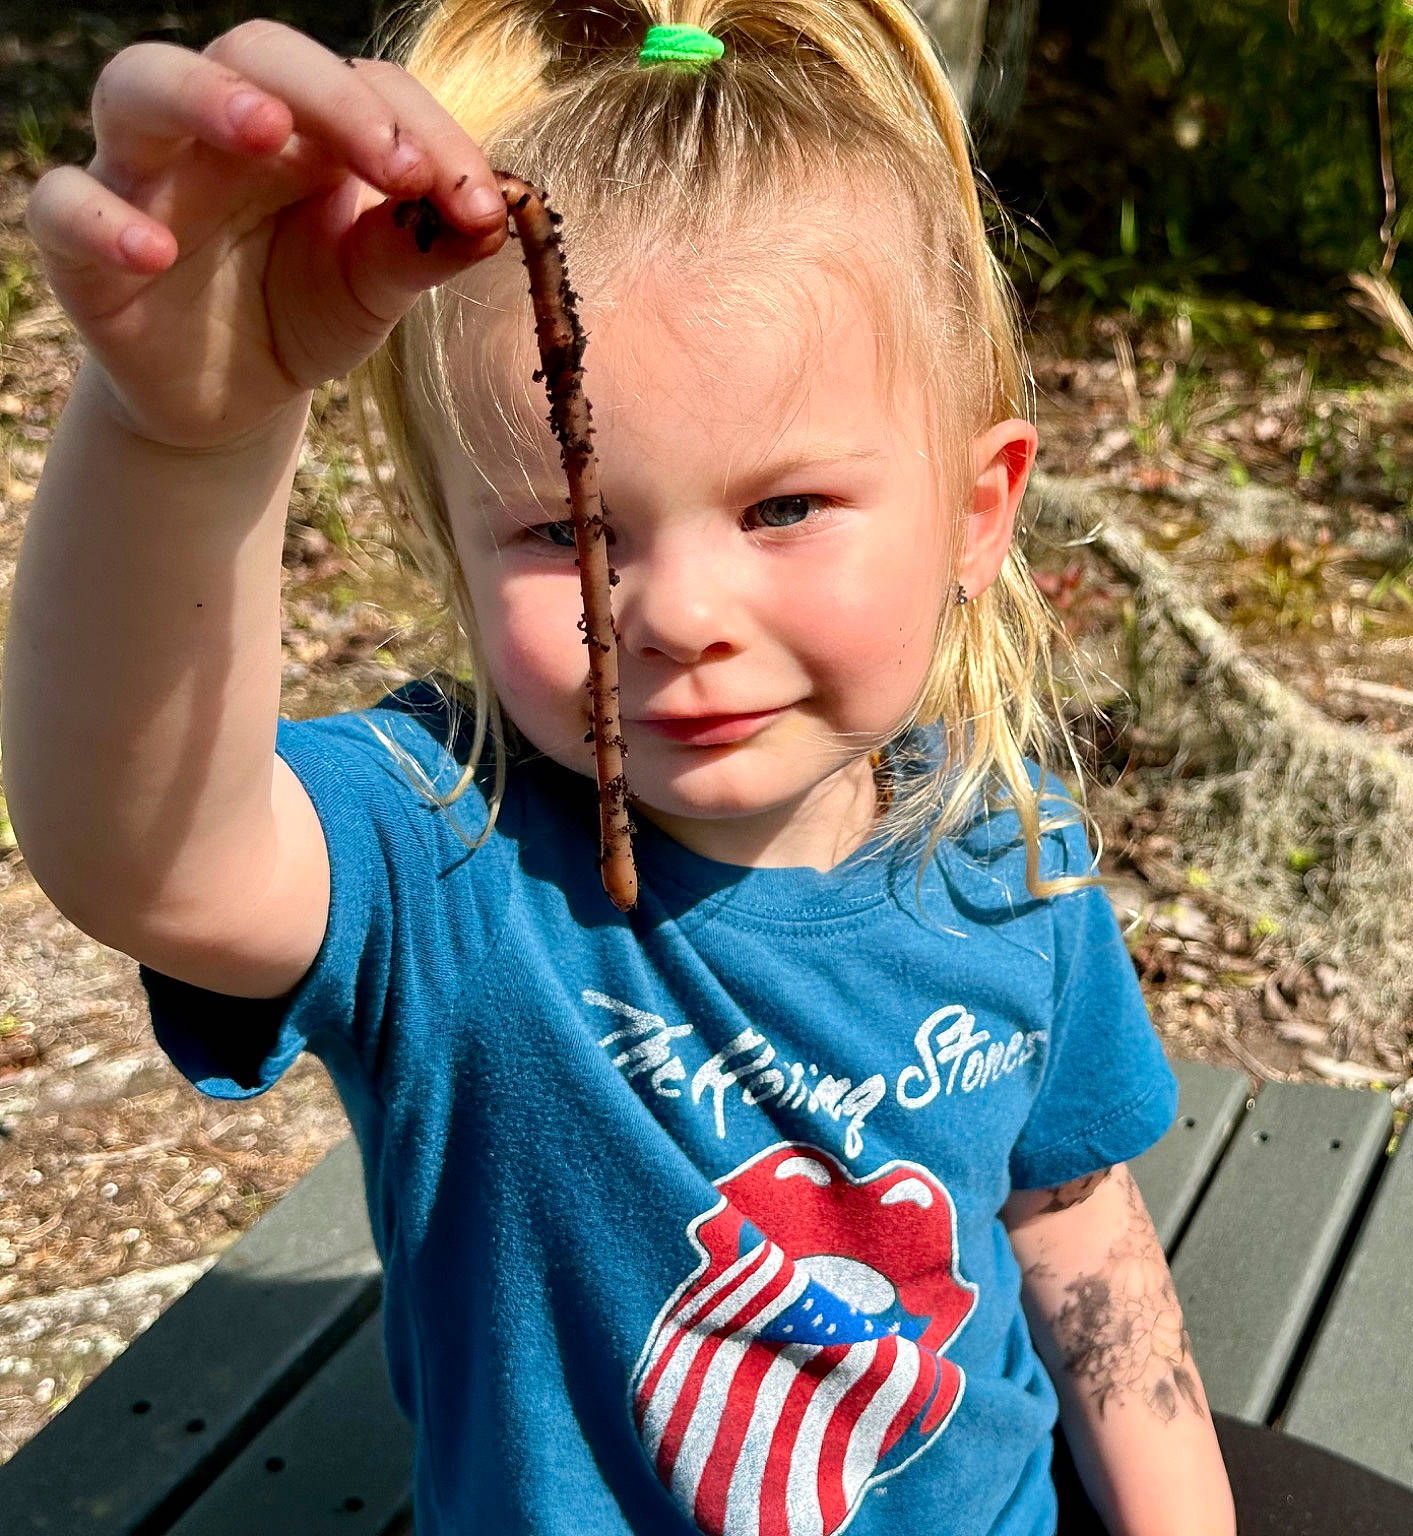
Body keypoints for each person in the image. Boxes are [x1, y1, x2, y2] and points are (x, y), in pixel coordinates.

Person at [0, 2, 1238, 1533]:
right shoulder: (449, 853)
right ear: (458, 546)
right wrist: (182, 442)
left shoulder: (1010, 850)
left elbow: (1075, 1225)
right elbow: (147, 856)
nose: (674, 617)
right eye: (565, 532)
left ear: (978, 513)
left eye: (784, 507)